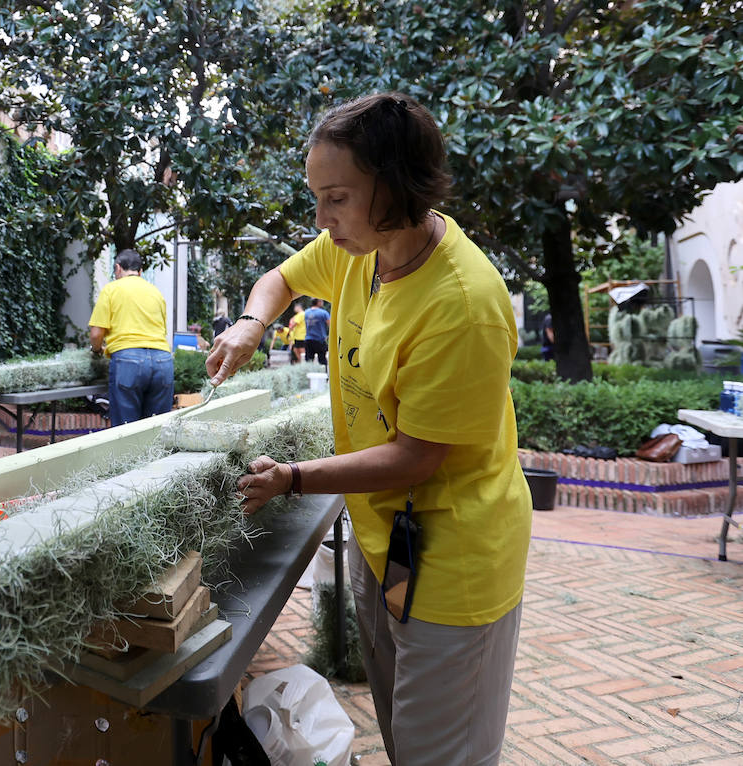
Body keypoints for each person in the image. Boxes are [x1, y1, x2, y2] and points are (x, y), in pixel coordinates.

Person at [206, 92, 530, 766]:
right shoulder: (360, 248)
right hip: (385, 545)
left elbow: (415, 456)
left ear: (396, 185)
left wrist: (292, 478)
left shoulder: (463, 304)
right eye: (317, 198)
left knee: (441, 753)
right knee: (402, 736)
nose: (321, 220)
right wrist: (250, 325)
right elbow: (281, 278)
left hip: (455, 556)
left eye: (336, 198)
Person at [89, 249, 174, 426]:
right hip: (163, 361)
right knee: (157, 431)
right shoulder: (155, 292)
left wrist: (96, 351)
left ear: (118, 268)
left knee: (126, 430)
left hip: (128, 361)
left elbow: (96, 334)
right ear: (140, 272)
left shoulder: (111, 289)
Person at [303, 298, 330, 364]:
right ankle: (325, 374)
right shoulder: (323, 313)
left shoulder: (306, 312)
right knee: (322, 361)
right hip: (320, 340)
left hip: (308, 339)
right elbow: (330, 325)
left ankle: (307, 373)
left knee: (309, 361)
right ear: (319, 302)